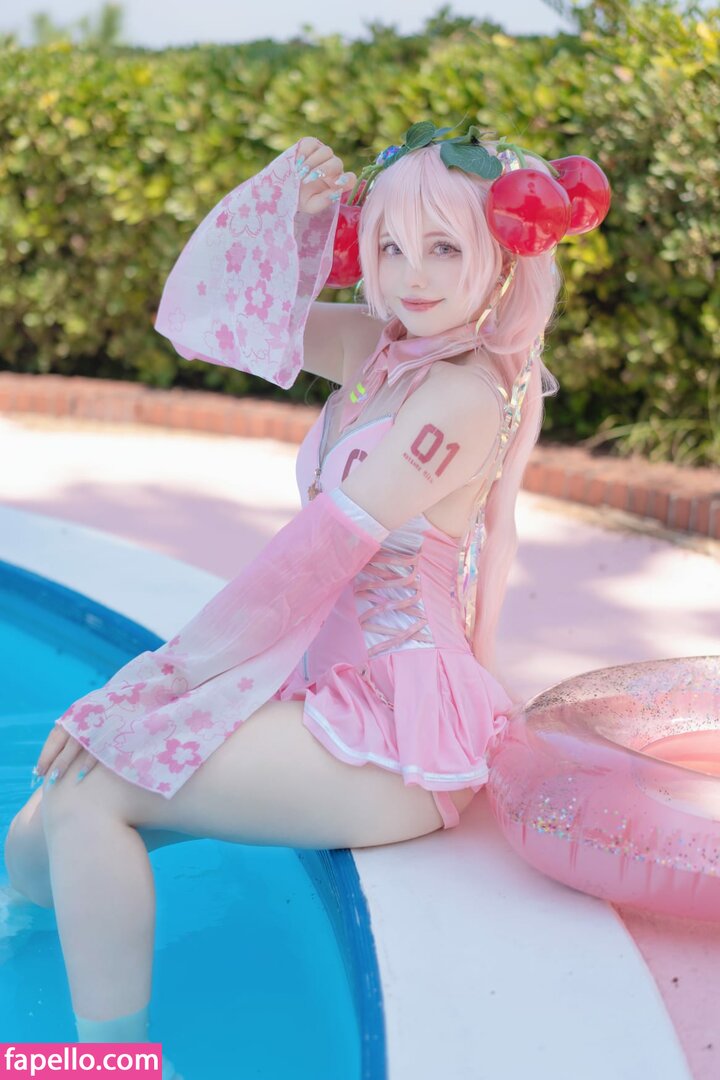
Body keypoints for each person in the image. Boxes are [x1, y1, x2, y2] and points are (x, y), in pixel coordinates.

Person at [4, 125, 563, 1078]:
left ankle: (110, 1066)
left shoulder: (463, 398)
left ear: (499, 252)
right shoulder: (381, 349)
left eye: (443, 247)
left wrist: (150, 680)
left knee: (91, 794)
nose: (411, 275)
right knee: (36, 837)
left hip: (397, 734)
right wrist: (282, 217)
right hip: (322, 692)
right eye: (389, 244)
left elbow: (321, 553)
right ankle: (19, 945)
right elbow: (201, 320)